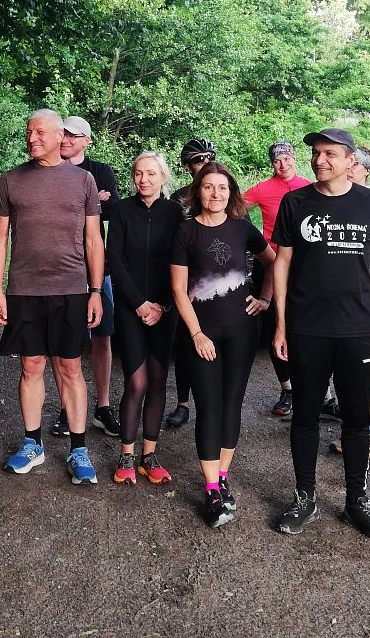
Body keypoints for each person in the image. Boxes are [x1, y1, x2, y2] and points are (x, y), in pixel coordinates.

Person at [271, 129, 370, 541]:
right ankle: (304, 498)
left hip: (357, 328)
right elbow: (282, 264)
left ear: (349, 161)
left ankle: (356, 501)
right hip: (308, 327)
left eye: (329, 153)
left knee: (357, 419)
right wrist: (280, 323)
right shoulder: (295, 202)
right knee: (305, 414)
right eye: (315, 153)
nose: (319, 160)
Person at [0, 109, 104, 484]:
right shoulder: (11, 180)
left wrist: (95, 291)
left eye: (40, 132)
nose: (32, 138)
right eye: (29, 132)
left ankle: (78, 449)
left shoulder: (83, 180)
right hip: (25, 290)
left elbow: (93, 240)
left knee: (70, 368)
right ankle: (32, 444)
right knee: (31, 366)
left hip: (71, 289)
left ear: (60, 137)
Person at [171, 161, 275, 527]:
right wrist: (196, 334)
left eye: (222, 188)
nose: (215, 193)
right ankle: (211, 487)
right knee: (208, 406)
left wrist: (265, 298)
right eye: (208, 187)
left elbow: (272, 261)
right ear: (198, 190)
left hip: (242, 331)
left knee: (232, 404)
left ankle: (224, 476)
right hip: (203, 333)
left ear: (231, 193)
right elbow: (178, 290)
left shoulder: (242, 227)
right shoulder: (185, 231)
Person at [107, 151, 185, 485]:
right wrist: (139, 303)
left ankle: (148, 456)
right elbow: (115, 259)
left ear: (163, 177)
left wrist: (163, 305)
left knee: (157, 379)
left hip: (166, 309)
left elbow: (181, 261)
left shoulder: (176, 213)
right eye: (139, 173)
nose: (144, 179)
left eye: (151, 173)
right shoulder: (122, 210)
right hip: (130, 307)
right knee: (136, 382)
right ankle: (126, 454)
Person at [51, 116, 122, 439]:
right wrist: (95, 201)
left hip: (96, 267)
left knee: (103, 336)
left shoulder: (101, 170)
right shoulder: (49, 169)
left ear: (86, 141)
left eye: (73, 135)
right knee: (63, 340)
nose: (65, 139)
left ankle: (102, 407)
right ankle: (68, 408)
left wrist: (90, 205)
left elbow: (115, 210)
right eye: (63, 134)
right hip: (59, 267)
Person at [326, 144, 370, 460]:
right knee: (343, 369)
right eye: (347, 163)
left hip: (368, 300)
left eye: (355, 165)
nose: (349, 170)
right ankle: (353, 426)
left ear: (365, 169)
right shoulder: (334, 201)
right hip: (333, 304)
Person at [244, 140, 311, 417]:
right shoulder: (262, 188)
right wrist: (250, 239)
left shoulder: (309, 187)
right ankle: (287, 389)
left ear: (294, 158)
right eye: (276, 161)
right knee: (275, 328)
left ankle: (316, 390)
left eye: (287, 158)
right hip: (271, 263)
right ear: (271, 163)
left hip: (304, 264)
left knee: (306, 326)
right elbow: (234, 208)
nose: (283, 165)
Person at [166, 137, 217, 428]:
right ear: (188, 166)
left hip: (220, 281)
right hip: (187, 282)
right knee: (186, 342)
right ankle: (182, 403)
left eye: (210, 157)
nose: (206, 162)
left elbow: (243, 236)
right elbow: (167, 242)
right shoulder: (178, 199)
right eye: (199, 159)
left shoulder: (226, 191)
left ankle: (217, 405)